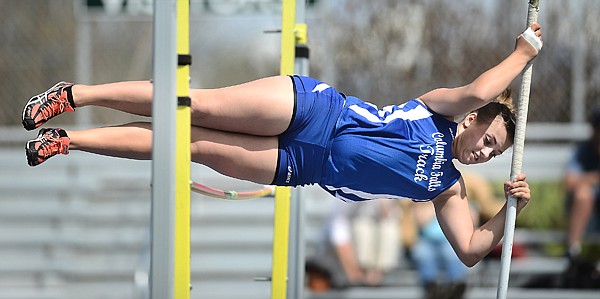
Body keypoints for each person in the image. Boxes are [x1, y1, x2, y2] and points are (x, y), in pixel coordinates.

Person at [22, 23, 541, 267]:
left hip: (301, 164)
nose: (483, 154)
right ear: (474, 121)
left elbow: (472, 250)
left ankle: (66, 142)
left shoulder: (447, 189)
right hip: (316, 110)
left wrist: (508, 210)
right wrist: (521, 53)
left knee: (191, 145)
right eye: (488, 141)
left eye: (493, 155)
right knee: (194, 105)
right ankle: (74, 95)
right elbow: (478, 89)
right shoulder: (443, 110)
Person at [306, 199, 401, 290]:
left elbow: (392, 217)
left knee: (389, 228)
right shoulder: (347, 191)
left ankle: (376, 273)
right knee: (363, 226)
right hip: (343, 253)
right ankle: (366, 270)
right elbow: (338, 231)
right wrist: (354, 272)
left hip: (361, 249)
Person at [564, 109, 600, 259]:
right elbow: (570, 181)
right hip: (586, 213)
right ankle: (573, 251)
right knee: (583, 194)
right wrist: (594, 178)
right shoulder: (583, 151)